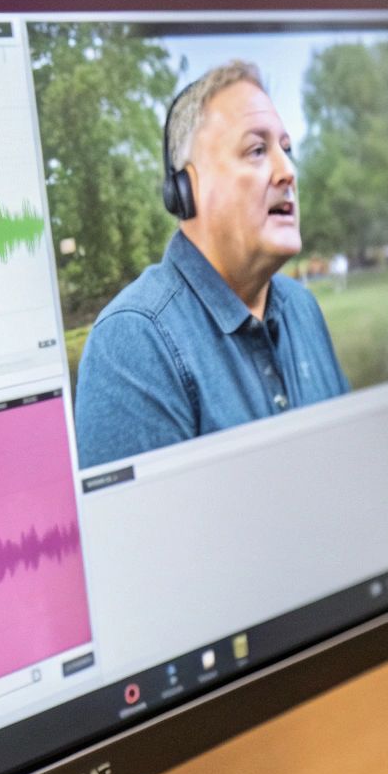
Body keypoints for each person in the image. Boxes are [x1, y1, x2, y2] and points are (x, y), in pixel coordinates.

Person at [73, 60, 348, 468]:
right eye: (257, 150)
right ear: (187, 190)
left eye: (287, 150)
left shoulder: (303, 307)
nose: (288, 171)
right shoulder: (133, 343)